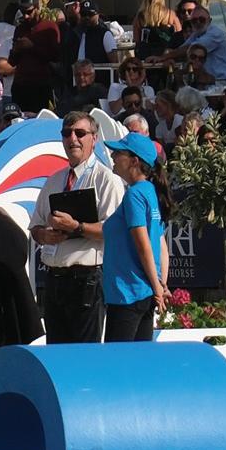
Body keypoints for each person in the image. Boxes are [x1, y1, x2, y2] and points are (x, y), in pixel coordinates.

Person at [30, 116, 124, 343]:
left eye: (80, 133)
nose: (72, 139)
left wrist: (76, 227)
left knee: (85, 354)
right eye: (67, 133)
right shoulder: (54, 180)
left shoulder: (106, 179)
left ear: (94, 139)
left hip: (86, 279)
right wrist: (44, 235)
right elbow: (35, 227)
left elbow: (114, 231)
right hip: (54, 279)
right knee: (56, 353)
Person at [101, 134, 167, 341]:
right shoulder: (150, 191)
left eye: (118, 152)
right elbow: (162, 246)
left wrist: (158, 289)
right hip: (143, 293)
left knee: (118, 359)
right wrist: (160, 285)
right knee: (139, 358)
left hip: (128, 293)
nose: (113, 156)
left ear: (134, 161)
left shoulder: (135, 194)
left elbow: (143, 244)